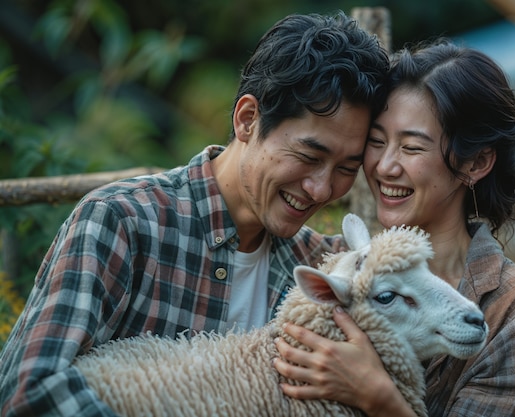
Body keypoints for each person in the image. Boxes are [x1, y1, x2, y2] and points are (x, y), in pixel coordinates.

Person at [0, 12, 389, 416]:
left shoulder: (321, 267)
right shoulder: (122, 222)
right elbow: (29, 391)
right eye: (309, 156)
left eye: (347, 169)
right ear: (247, 120)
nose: (322, 189)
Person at [274, 39, 515, 416]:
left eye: (411, 148)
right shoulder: (328, 263)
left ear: (476, 163)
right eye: (376, 142)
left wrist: (381, 400)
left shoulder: (512, 310)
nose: (385, 166)